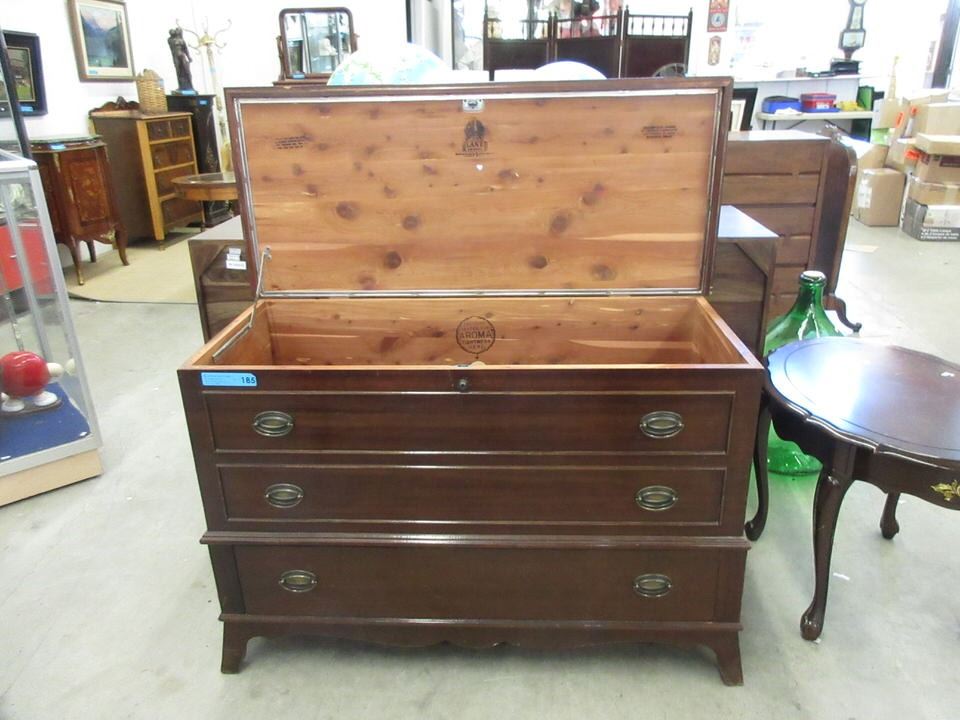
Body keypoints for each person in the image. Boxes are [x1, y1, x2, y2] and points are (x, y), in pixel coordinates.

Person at [168, 28, 194, 92]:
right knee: (179, 72)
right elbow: (171, 35)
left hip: (182, 56)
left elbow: (185, 49)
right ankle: (181, 86)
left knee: (187, 71)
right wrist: (173, 32)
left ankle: (190, 86)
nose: (177, 32)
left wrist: (189, 57)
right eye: (177, 31)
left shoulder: (182, 40)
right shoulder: (170, 40)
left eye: (179, 31)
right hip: (176, 56)